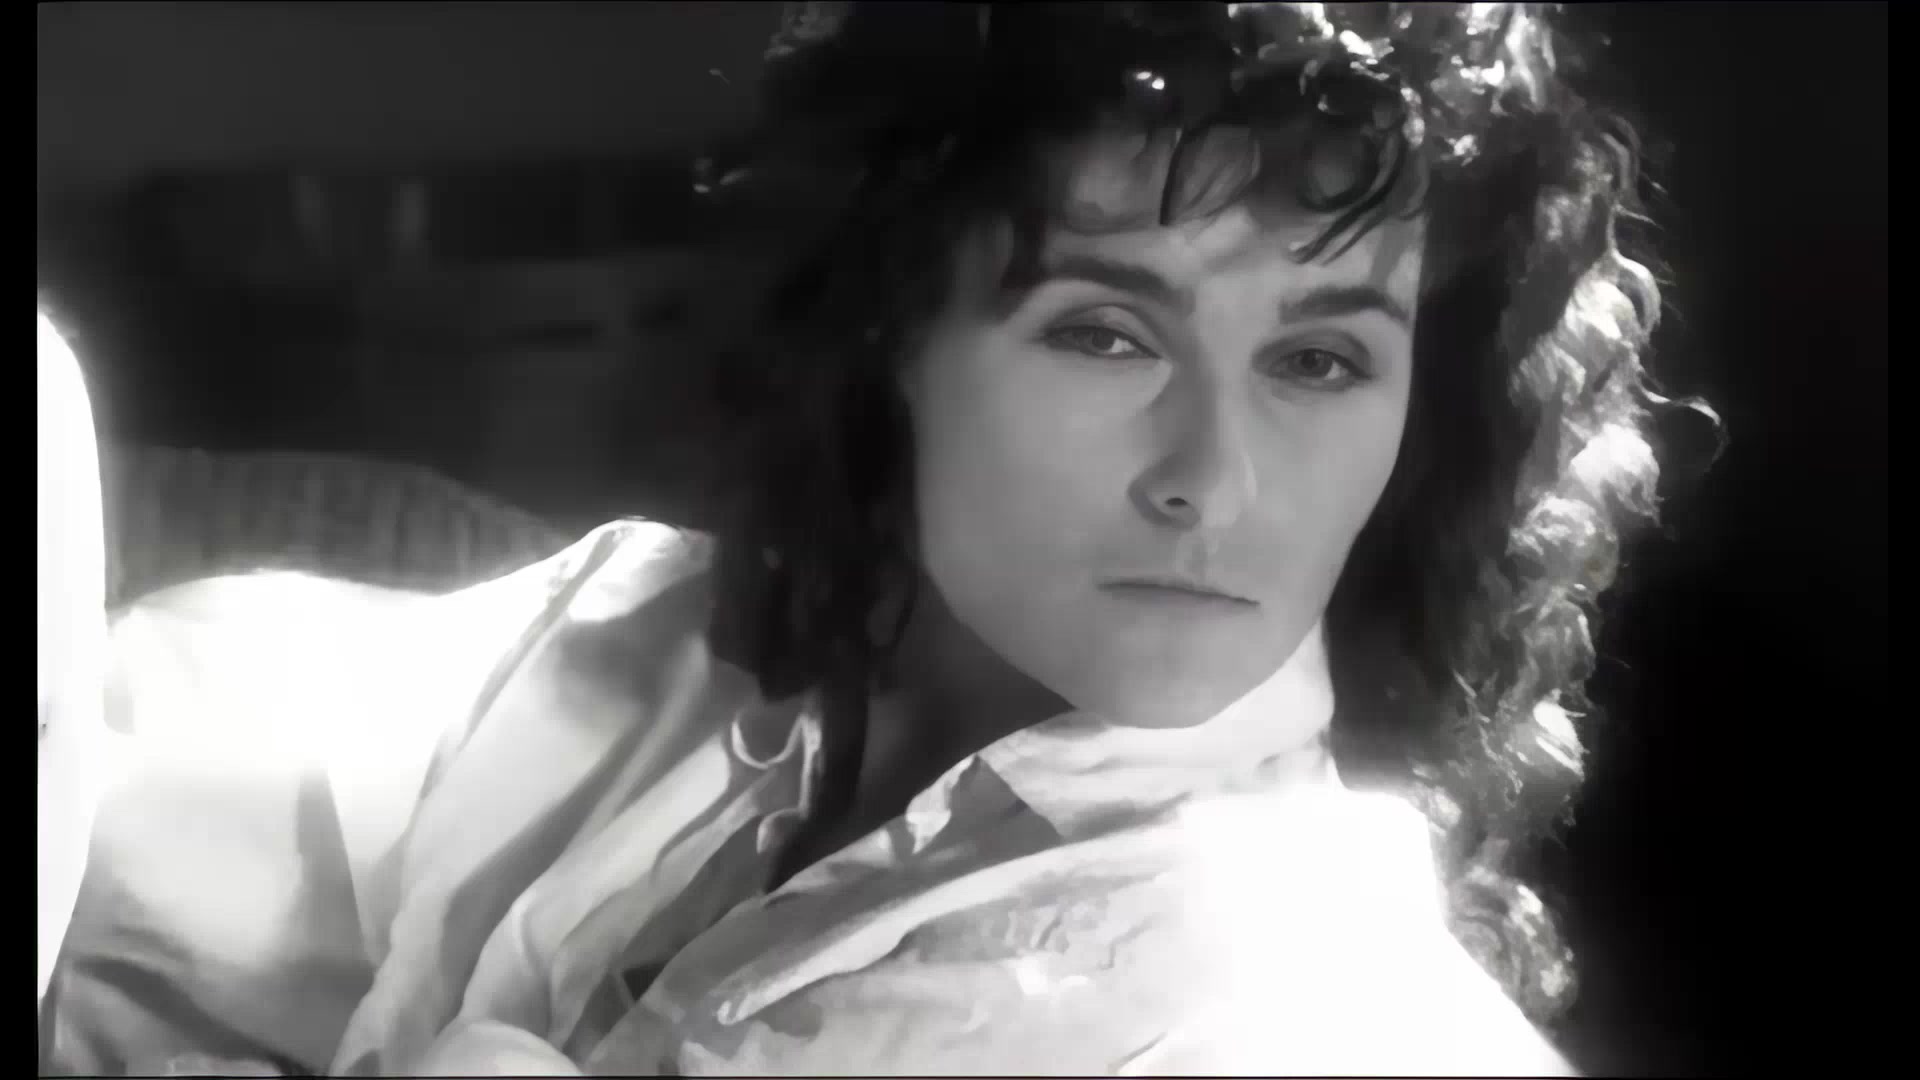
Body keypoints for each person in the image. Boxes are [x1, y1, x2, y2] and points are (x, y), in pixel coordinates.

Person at [40, 2, 1707, 1074]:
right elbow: (147, 763)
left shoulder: (1311, 1013)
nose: (1217, 480)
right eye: (1103, 333)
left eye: (1320, 361)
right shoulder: (648, 653)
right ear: (886, 331)